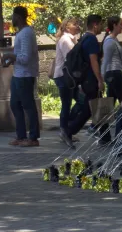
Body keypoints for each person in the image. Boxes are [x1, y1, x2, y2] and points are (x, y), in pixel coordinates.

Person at [67, 15, 108, 141]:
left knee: (98, 106)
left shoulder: (84, 38)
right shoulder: (91, 39)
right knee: (89, 109)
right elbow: (93, 61)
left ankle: (106, 136)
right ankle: (69, 130)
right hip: (91, 79)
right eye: (101, 24)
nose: (102, 27)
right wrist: (100, 80)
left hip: (86, 79)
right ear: (95, 25)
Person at [4, 6, 40, 147]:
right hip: (18, 74)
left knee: (28, 105)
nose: (11, 19)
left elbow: (25, 57)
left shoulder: (26, 33)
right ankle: (21, 136)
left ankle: (33, 137)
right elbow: (19, 56)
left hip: (25, 75)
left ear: (18, 17)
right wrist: (9, 60)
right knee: (15, 104)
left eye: (12, 16)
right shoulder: (20, 33)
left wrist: (10, 55)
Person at [53, 18, 79, 147]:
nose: (77, 26)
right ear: (68, 27)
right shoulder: (66, 40)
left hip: (65, 76)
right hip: (64, 76)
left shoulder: (70, 39)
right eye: (75, 24)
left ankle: (67, 129)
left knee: (72, 102)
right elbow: (71, 59)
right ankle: (65, 129)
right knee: (68, 103)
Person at [101, 16, 122, 104]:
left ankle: (109, 117)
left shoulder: (114, 40)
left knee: (111, 101)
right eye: (120, 24)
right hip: (114, 73)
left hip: (114, 73)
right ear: (114, 25)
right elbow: (105, 60)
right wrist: (101, 78)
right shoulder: (110, 41)